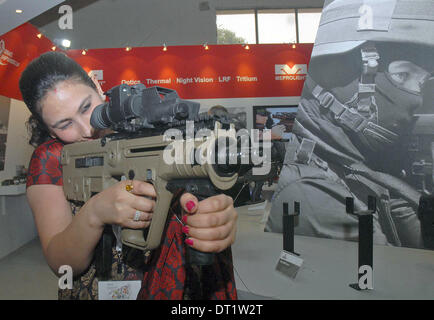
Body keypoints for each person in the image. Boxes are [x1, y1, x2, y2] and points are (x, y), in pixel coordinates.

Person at [19, 51, 238, 299]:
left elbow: (202, 199)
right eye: (64, 124)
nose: (86, 128)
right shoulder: (51, 159)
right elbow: (62, 264)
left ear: (97, 85)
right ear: (47, 129)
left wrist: (215, 221)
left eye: (87, 107)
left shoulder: (160, 130)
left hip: (178, 285)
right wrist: (94, 213)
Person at [266, 0, 434, 249]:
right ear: (337, 77)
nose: (414, 98)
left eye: (420, 83)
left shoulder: (359, 164)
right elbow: (393, 283)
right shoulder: (312, 193)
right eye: (402, 75)